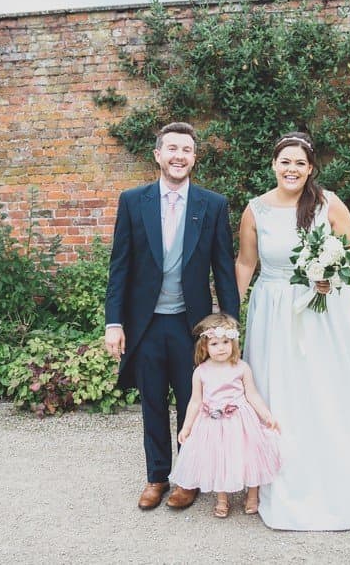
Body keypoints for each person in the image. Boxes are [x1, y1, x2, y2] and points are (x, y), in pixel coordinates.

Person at [235, 131, 350, 531]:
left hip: (323, 310)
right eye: (285, 161)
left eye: (300, 163)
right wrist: (230, 315)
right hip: (273, 309)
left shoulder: (328, 203)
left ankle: (337, 470)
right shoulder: (256, 210)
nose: (292, 169)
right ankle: (279, 472)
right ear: (273, 165)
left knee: (324, 387)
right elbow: (246, 264)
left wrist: (330, 275)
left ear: (311, 168)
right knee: (279, 390)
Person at [104, 121, 240, 511]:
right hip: (145, 324)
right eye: (173, 149)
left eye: (187, 150)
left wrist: (229, 326)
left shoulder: (212, 204)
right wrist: (114, 323)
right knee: (152, 403)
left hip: (191, 325)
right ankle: (157, 476)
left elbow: (223, 269)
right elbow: (120, 267)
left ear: (194, 158)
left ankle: (188, 477)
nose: (179, 156)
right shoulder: (133, 201)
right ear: (158, 155)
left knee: (190, 402)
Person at [169, 312, 281, 518]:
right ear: (204, 347)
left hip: (240, 421)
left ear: (233, 343)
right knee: (219, 458)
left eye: (225, 342)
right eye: (214, 344)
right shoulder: (201, 371)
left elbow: (253, 395)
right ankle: (222, 499)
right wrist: (187, 427)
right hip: (212, 423)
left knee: (249, 456)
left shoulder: (241, 368)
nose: (220, 348)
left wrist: (267, 416)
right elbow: (195, 401)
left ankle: (253, 494)